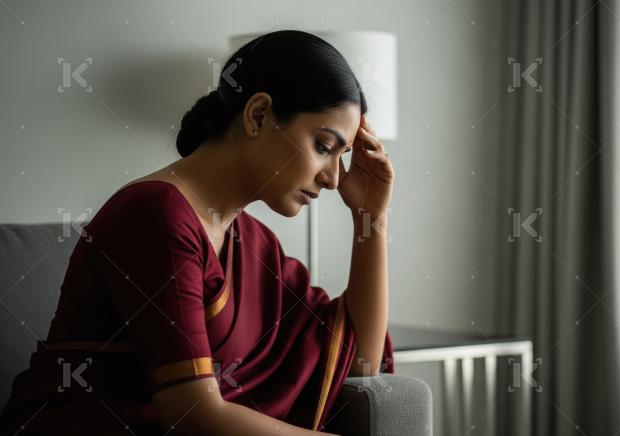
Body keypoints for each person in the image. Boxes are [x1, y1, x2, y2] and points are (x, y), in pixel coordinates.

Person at [0, 30, 394, 435]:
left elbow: (361, 358)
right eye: (324, 146)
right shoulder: (156, 215)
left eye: (342, 157)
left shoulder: (253, 243)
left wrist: (371, 218)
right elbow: (193, 415)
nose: (333, 179)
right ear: (258, 115)